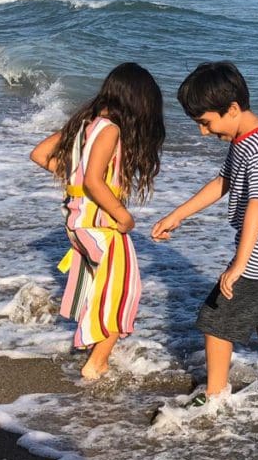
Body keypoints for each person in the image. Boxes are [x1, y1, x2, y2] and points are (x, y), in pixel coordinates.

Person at [151, 61, 258, 405]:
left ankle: (215, 396)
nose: (203, 132)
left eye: (205, 123)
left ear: (232, 108)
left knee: (215, 321)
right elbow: (223, 182)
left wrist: (239, 264)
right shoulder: (247, 136)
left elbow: (257, 204)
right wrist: (177, 215)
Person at [31, 62, 165, 379]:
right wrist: (124, 216)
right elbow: (94, 180)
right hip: (99, 224)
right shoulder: (111, 130)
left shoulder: (86, 125)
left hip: (77, 221)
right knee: (123, 292)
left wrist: (73, 182)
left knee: (101, 288)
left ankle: (95, 349)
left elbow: (40, 154)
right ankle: (97, 364)